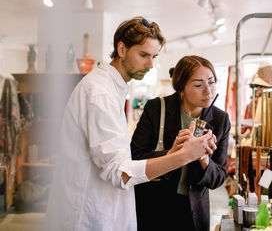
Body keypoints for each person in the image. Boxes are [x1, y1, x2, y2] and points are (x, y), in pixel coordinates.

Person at [45, 17, 214, 231]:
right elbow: (119, 172)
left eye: (154, 56)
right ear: (122, 49)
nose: (151, 65)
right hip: (88, 217)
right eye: (143, 55)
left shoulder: (112, 88)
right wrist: (184, 156)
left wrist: (172, 153)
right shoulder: (100, 93)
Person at [131, 55, 231, 231]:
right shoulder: (156, 109)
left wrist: (204, 159)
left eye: (212, 82)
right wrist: (172, 154)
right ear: (181, 89)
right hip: (155, 205)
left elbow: (218, 178)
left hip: (195, 211)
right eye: (198, 85)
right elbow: (135, 158)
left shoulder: (220, 119)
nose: (208, 91)